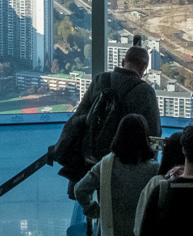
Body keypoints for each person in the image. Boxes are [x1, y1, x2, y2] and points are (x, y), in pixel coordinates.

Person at [53, 42, 162, 195]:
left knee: (90, 201)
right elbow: (153, 135)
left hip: (89, 159)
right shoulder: (145, 92)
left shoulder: (100, 80)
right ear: (144, 67)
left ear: (123, 62)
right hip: (122, 166)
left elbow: (79, 116)